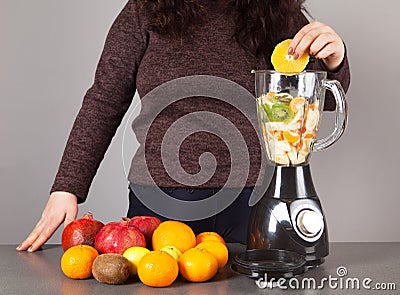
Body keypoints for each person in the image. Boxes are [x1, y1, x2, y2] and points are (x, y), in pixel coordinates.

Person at [17, 0, 350, 252]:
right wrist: (68, 187)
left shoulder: (279, 14)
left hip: (257, 201)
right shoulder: (142, 11)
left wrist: (334, 61)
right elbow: (104, 101)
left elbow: (321, 100)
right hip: (159, 203)